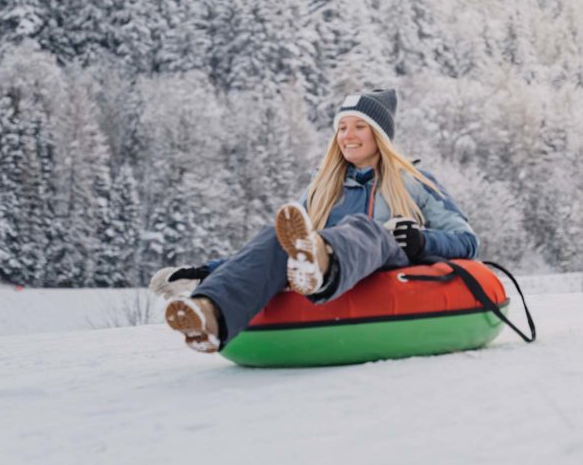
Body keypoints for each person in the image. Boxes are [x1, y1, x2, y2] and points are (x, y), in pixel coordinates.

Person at [155, 88, 478, 353]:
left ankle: (320, 257)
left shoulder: (414, 181)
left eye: (359, 126)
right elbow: (278, 246)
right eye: (341, 127)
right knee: (275, 234)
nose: (347, 136)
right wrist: (209, 271)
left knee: (366, 229)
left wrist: (423, 241)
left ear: (379, 134)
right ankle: (209, 315)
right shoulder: (323, 187)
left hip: (384, 258)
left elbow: (466, 240)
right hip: (323, 270)